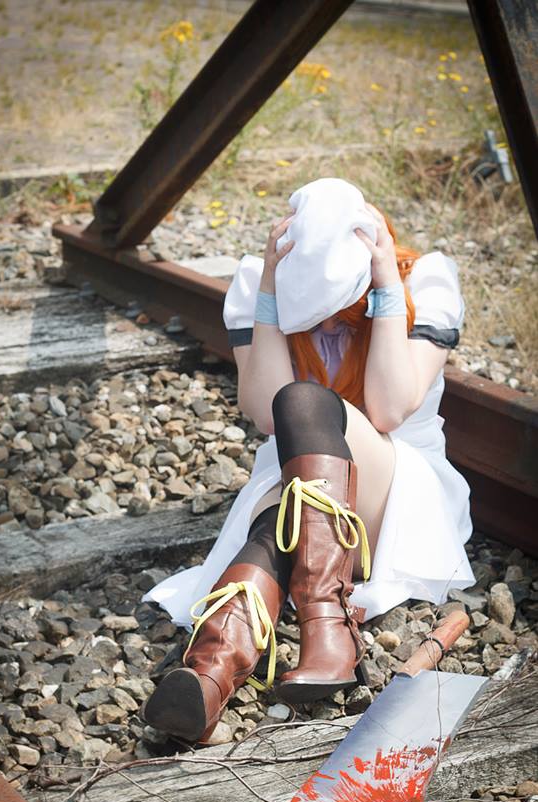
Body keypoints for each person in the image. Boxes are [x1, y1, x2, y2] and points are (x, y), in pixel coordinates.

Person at [143, 178, 475, 743]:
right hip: (303, 490)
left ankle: (321, 626)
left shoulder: (423, 279)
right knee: (282, 511)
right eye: (310, 309)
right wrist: (272, 295)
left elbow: (389, 409)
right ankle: (213, 672)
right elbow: (265, 413)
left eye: (338, 305)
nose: (324, 324)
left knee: (304, 403)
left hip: (398, 493)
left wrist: (385, 287)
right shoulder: (260, 281)